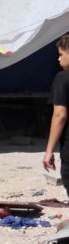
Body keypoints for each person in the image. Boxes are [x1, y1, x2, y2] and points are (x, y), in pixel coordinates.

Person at [44, 36, 69, 188]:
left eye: (61, 54)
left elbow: (60, 115)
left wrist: (49, 151)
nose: (58, 59)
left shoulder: (63, 79)